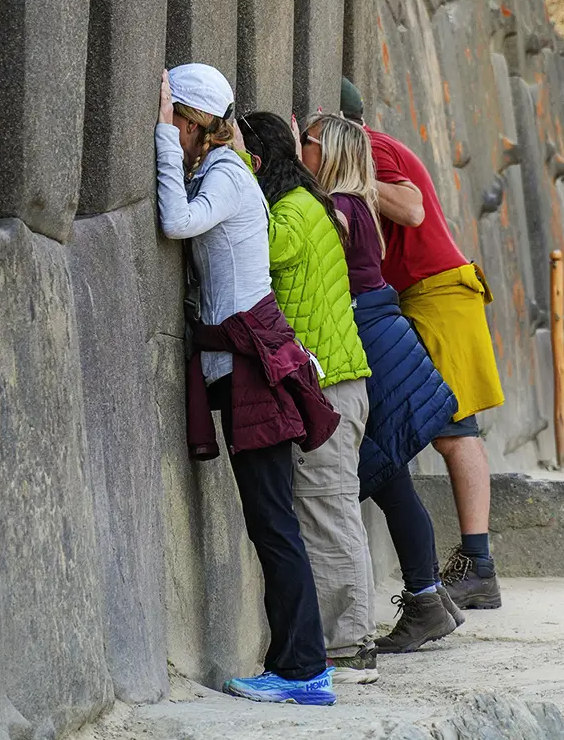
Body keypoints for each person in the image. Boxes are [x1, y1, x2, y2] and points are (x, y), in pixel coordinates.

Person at [155, 63, 336, 706]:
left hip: (253, 366)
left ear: (198, 124)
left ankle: (303, 671)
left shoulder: (229, 176)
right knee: (271, 522)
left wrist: (155, 137)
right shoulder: (225, 170)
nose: (172, 131)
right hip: (241, 363)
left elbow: (176, 222)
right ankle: (298, 665)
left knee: (273, 523)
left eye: (178, 121)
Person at [300, 112, 463, 653]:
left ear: (332, 153)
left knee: (386, 477)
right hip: (380, 329)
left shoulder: (341, 210)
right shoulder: (361, 208)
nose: (302, 150)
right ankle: (427, 598)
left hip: (368, 336)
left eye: (308, 143)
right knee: (394, 479)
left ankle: (422, 600)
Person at [340, 77, 504, 610]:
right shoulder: (372, 149)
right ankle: (465, 567)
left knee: (455, 431)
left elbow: (408, 210)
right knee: (443, 429)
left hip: (436, 293)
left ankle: (478, 566)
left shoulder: (371, 148)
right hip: (420, 296)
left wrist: (350, 179)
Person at [238, 112, 378, 684]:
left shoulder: (293, 210)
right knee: (329, 510)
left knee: (327, 512)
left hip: (332, 387)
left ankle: (347, 648)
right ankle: (342, 642)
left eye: (248, 160)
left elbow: (258, 248)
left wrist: (231, 185)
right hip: (337, 382)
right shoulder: (309, 202)